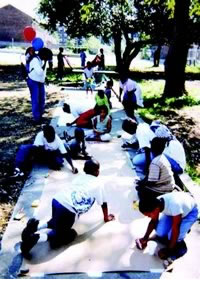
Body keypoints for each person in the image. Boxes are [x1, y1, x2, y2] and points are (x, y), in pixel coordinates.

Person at [20, 159, 115, 259]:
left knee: (56, 221)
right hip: (68, 210)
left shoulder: (80, 178)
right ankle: (37, 238)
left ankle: (35, 227)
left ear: (84, 169)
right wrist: (106, 218)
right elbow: (103, 203)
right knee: (67, 235)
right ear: (97, 171)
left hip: (57, 200)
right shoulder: (98, 184)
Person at [136, 191, 199, 261]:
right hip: (174, 213)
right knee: (160, 232)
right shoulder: (156, 203)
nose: (148, 217)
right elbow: (153, 221)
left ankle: (186, 227)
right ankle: (180, 224)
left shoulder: (175, 206)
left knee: (171, 236)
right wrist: (145, 238)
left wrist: (168, 250)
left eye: (149, 215)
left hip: (189, 213)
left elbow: (176, 229)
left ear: (156, 210)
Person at [12, 125, 78, 177]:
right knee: (23, 148)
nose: (51, 139)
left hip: (51, 154)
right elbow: (36, 149)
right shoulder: (40, 135)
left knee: (59, 163)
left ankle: (34, 161)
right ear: (44, 136)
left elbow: (66, 154)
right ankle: (17, 168)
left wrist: (72, 167)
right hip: (40, 152)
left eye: (52, 138)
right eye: (48, 138)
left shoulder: (58, 141)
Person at [26, 47, 50, 124]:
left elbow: (43, 73)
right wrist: (45, 63)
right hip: (33, 81)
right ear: (44, 55)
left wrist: (45, 78)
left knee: (42, 99)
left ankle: (40, 116)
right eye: (47, 57)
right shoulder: (35, 60)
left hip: (40, 81)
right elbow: (40, 72)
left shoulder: (41, 60)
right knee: (35, 99)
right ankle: (36, 118)